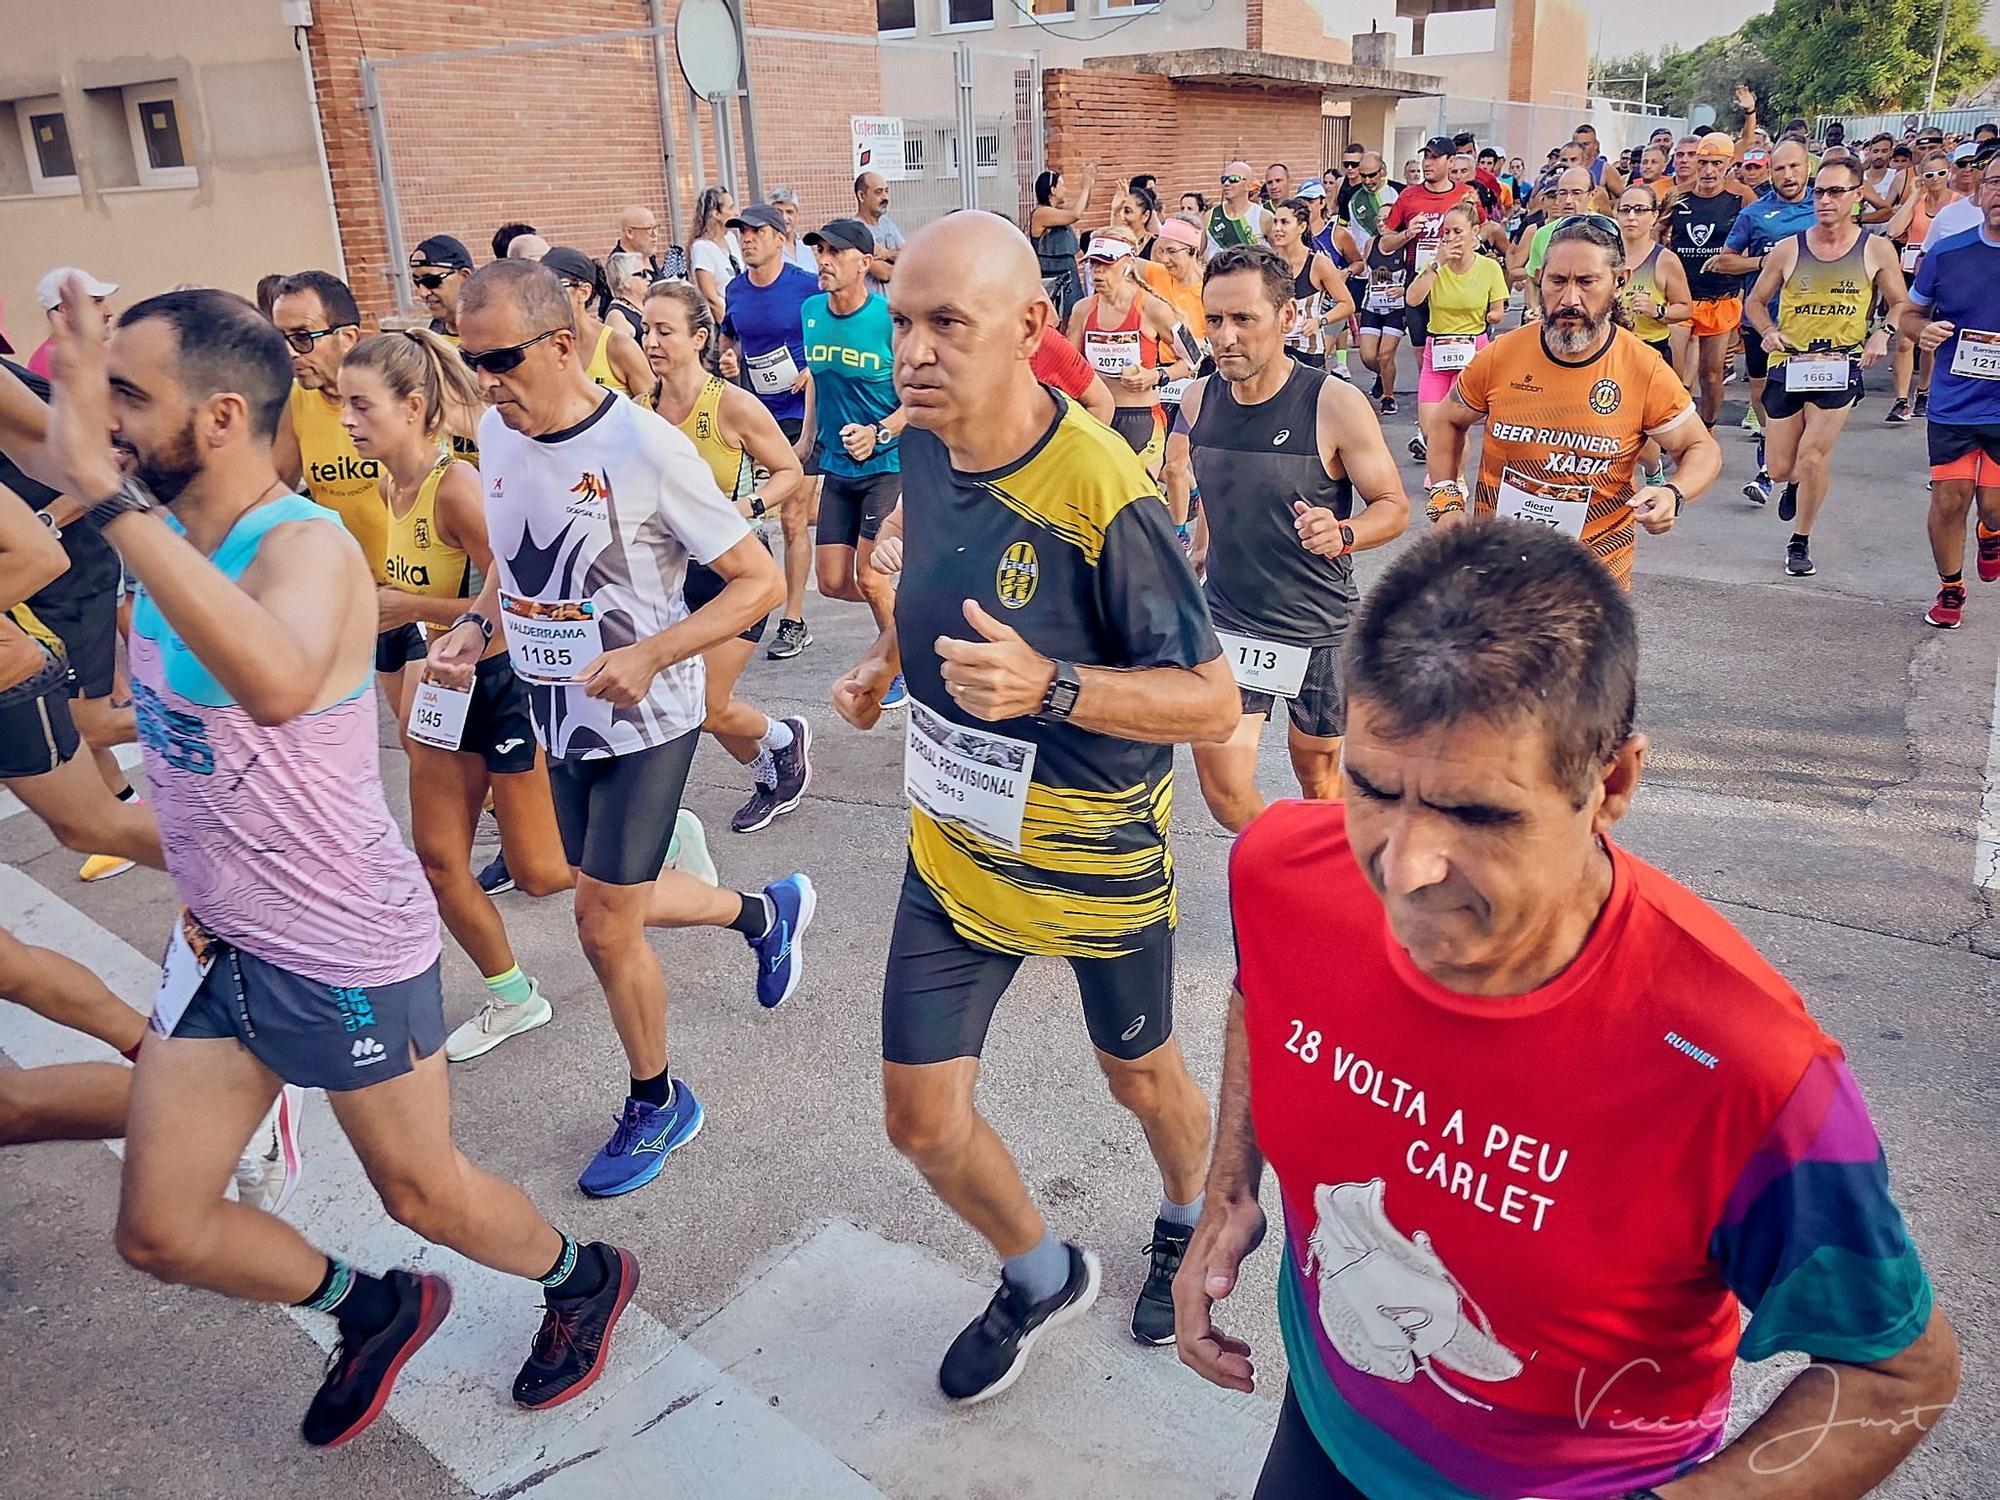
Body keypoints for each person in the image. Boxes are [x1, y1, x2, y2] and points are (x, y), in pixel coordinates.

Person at [1178, 519, 1962, 1499]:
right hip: (1327, 1434)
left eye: (1477, 814)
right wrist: (1227, 1188)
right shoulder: (1286, 869)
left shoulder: (1746, 1066)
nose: (1404, 869)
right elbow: (1264, 989)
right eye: (1374, 791)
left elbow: (1897, 1375)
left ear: (1611, 784)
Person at [21, 280, 641, 1445]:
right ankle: (373, 1307)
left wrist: (104, 499)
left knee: (424, 1193)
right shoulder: (165, 540)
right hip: (219, 946)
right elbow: (37, 429)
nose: (103, 426)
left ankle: (579, 1280)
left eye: (128, 400)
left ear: (215, 419)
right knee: (159, 1229)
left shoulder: (299, 549)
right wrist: (65, 376)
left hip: (346, 944)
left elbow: (277, 681)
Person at [832, 210, 1239, 1396]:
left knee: (1142, 1078)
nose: (913, 349)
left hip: (1093, 860)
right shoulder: (916, 434)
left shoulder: (1104, 493)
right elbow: (926, 557)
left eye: (946, 324)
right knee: (919, 1121)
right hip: (953, 853)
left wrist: (1049, 686)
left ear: (1029, 329)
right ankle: (1037, 1270)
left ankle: (1184, 1215)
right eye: (902, 322)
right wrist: (885, 659)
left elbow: (1209, 702)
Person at [426, 259, 813, 1196]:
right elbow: (510, 564)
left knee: (602, 923)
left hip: (646, 715)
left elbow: (757, 581)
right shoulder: (496, 432)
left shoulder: (647, 449)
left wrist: (653, 654)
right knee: (570, 880)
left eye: (501, 358)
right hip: (550, 702)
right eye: (471, 360)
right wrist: (478, 625)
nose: (485, 380)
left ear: (564, 344)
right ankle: (763, 913)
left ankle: (658, 1100)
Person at [336, 327, 574, 1059]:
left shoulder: (458, 489)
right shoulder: (387, 484)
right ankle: (514, 997)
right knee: (439, 860)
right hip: (443, 688)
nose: (345, 421)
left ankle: (660, 844)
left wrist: (416, 612)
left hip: (501, 684)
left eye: (359, 405)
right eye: (342, 404)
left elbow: (518, 590)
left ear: (412, 407)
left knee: (539, 874)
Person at [1170, 243, 1407, 832]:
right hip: (1228, 619)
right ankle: (1280, 863)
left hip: (1314, 627)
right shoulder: (1200, 398)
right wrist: (1201, 544)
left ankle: (1312, 879)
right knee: (1224, 791)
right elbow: (1211, 482)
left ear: (1286, 316)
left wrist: (1344, 531)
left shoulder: (1333, 402)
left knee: (1319, 779)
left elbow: (1394, 507)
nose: (1226, 337)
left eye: (1244, 319)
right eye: (1215, 320)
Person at [1426, 214, 1721, 590]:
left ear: (1619, 282)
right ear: (1540, 279)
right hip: (1497, 575)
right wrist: (1447, 502)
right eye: (1557, 281)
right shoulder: (1504, 355)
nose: (1569, 299)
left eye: (1586, 282)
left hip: (1591, 586)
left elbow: (1701, 448)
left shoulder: (1643, 368)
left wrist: (1673, 494)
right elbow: (1447, 420)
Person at [644, 279, 814, 835]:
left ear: (698, 338)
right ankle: (773, 766)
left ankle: (782, 741)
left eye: (665, 331)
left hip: (736, 577)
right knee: (687, 702)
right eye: (646, 329)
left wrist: (747, 505)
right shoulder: (639, 410)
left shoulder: (732, 405)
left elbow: (790, 470)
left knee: (706, 704)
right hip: (670, 578)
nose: (651, 341)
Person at [4, 346, 141, 882]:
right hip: (38, 579)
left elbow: (96, 460)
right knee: (79, 724)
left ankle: (221, 734)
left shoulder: (13, 389)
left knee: (86, 724)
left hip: (69, 572)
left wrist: (44, 518)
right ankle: (121, 814)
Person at [267, 270, 424, 715]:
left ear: (347, 336)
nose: (290, 353)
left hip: (424, 596)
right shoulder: (296, 401)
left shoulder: (400, 396)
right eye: (280, 337)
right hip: (366, 600)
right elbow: (272, 492)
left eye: (302, 337)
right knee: (417, 745)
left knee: (436, 748)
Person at [1742, 157, 1905, 578]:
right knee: (1782, 467)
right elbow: (1755, 302)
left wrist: (1881, 333)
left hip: (1841, 364)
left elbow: (1902, 301)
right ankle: (1794, 483)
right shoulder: (1789, 248)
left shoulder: (1874, 248)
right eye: (1820, 192)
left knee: (1814, 455)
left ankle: (1800, 540)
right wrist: (1768, 331)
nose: (1825, 200)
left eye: (1836, 192)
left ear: (1856, 197)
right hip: (1790, 364)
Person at [800, 216, 906, 706]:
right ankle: (916, 620)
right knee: (831, 582)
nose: (823, 260)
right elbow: (818, 380)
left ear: (863, 263)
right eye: (819, 251)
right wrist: (806, 442)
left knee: (870, 576)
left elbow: (917, 397)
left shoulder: (889, 320)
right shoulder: (810, 311)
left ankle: (899, 665)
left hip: (886, 463)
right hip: (837, 465)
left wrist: (879, 431)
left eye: (835, 253)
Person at [1902, 157, 2000, 628]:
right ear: (1979, 193)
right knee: (1949, 500)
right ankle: (1950, 590)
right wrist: (1921, 331)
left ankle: (1991, 531)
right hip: (1955, 401)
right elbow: (1909, 313)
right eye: (1995, 183)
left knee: (1994, 504)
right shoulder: (1950, 252)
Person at [722, 202, 821, 660]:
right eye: (742, 233)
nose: (747, 239)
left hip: (799, 410)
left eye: (758, 232)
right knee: (750, 516)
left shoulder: (805, 286)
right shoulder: (735, 290)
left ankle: (794, 619)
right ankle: (744, 606)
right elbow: (729, 337)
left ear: (781, 239)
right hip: (751, 414)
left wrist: (812, 368)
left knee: (792, 514)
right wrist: (726, 359)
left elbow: (827, 331)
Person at [1715, 140, 1819, 493]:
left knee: (1804, 403)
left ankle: (1784, 472)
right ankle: (1770, 459)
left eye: (1794, 167)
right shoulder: (1755, 213)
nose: (1788, 175)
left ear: (1807, 167)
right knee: (1763, 396)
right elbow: (1725, 261)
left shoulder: (1824, 209)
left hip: (1812, 323)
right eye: (1780, 169)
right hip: (1762, 319)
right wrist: (1768, 263)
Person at [1066, 230, 1183, 476]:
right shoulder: (1082, 310)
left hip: (1140, 418)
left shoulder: (1153, 308)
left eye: (1106, 265)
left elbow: (1194, 358)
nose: (1097, 272)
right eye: (1093, 264)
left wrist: (1156, 376)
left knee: (1141, 503)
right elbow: (1068, 366)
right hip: (1097, 416)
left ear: (1127, 265)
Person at [1405, 203, 1508, 468]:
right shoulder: (1435, 267)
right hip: (1437, 350)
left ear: (1474, 232)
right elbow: (1413, 299)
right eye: (1446, 232)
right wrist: (1437, 264)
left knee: (1455, 423)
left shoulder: (1488, 268)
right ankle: (1441, 474)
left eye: (1457, 231)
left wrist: (1492, 317)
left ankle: (1455, 478)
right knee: (1430, 426)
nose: (1450, 238)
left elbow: (1498, 309)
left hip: (1471, 351)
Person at [1669, 136, 1754, 426]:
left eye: (1716, 163)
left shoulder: (1740, 197)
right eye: (1702, 162)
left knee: (1712, 374)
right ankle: (1676, 429)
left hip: (1721, 296)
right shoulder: (1677, 196)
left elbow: (1758, 234)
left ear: (1729, 164)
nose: (1708, 170)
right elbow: (1654, 232)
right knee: (1673, 372)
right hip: (1681, 296)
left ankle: (1708, 427)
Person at [1616, 183, 1693, 486]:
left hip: (1650, 351)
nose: (1631, 217)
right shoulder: (1605, 255)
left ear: (1655, 216)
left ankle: (1653, 470)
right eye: (1625, 209)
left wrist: (1657, 310)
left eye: (1640, 210)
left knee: (1642, 427)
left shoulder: (1664, 260)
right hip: (1611, 352)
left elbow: (1685, 308)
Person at [1884, 150, 1954, 422]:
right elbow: (1892, 230)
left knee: (1929, 340)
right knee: (1903, 339)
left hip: (1946, 278)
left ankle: (1924, 391)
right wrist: (1913, 195)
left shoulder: (1958, 205)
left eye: (1940, 173)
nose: (1935, 179)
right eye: (1929, 174)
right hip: (1912, 275)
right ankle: (1901, 400)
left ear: (1949, 173)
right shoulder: (1917, 202)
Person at [541, 246, 652, 401]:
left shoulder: (617, 346)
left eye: (554, 287)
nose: (543, 296)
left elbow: (653, 409)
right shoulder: (542, 348)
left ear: (583, 292)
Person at [1267, 197, 1354, 371]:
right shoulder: (1267, 263)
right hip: (1274, 348)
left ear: (1302, 227)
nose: (1277, 228)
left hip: (1308, 349)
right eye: (1275, 222)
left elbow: (1347, 304)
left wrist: (1319, 320)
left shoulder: (1318, 263)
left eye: (1284, 222)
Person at [1029, 166, 1097, 321]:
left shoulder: (1057, 210)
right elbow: (1075, 215)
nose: (1065, 190)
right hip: (1053, 279)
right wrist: (1085, 187)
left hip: (1068, 274)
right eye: (1062, 185)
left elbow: (1081, 207)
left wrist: (1089, 186)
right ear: (1053, 190)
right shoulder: (1041, 213)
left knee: (1076, 318)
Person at [25, 268, 118, 379]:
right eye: (96, 302)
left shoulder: (97, 353)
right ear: (65, 310)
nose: (108, 313)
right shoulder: (52, 363)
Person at [687, 186, 743, 325]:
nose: (735, 212)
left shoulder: (731, 238)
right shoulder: (702, 248)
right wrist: (729, 328)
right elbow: (711, 298)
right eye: (730, 208)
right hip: (722, 321)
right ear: (716, 214)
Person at [408, 234, 474, 341]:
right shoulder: (431, 338)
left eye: (432, 281)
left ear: (464, 276)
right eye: (416, 281)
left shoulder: (498, 332)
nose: (423, 293)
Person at [855, 171, 905, 290]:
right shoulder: (856, 230)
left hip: (894, 305)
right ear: (862, 196)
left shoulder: (887, 223)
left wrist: (886, 253)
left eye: (886, 191)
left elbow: (911, 255)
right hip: (874, 306)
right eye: (878, 192)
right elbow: (884, 273)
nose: (885, 197)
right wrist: (900, 259)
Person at [1208, 160, 1272, 252]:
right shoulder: (1210, 216)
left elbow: (1279, 254)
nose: (1226, 183)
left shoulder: (1264, 217)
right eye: (1223, 179)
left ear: (1248, 185)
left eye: (1233, 179)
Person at [608, 203, 674, 281]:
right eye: (649, 229)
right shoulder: (619, 266)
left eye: (656, 227)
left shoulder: (648, 257)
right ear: (629, 232)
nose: (655, 234)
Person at [766, 186, 822, 274]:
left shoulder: (805, 247)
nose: (785, 218)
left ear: (797, 214)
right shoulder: (765, 249)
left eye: (789, 212)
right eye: (779, 212)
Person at [604, 250, 650, 341]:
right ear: (625, 281)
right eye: (643, 274)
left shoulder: (643, 306)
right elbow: (619, 353)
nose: (649, 277)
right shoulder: (616, 316)